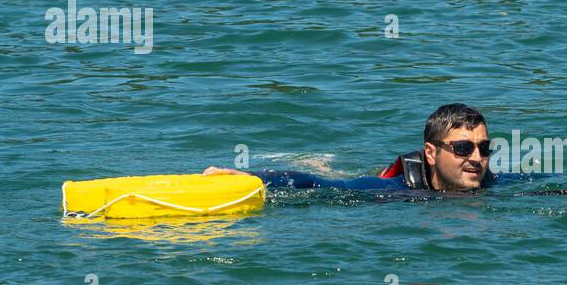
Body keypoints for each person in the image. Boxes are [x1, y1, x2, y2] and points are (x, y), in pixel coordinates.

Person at [203, 103, 495, 193]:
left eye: (484, 148)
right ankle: (317, 159)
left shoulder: (494, 185)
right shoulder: (394, 189)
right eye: (462, 148)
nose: (476, 159)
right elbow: (321, 184)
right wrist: (255, 178)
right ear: (431, 153)